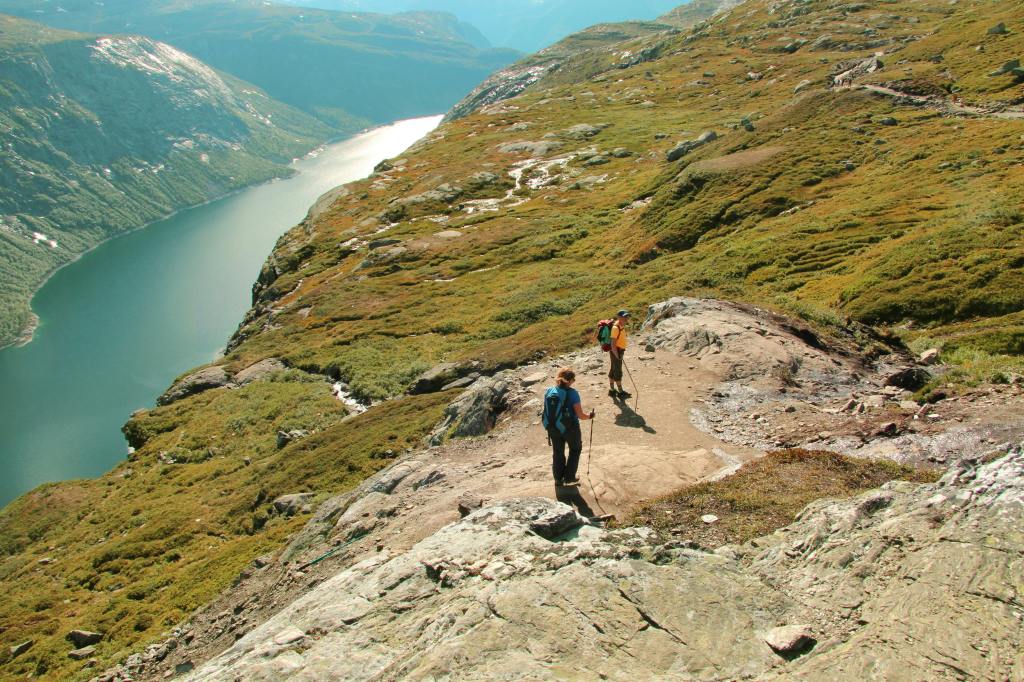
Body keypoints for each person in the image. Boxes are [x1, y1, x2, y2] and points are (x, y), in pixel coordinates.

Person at [542, 368, 595, 487]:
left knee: (558, 452)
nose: (574, 381)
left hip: (553, 427)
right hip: (570, 427)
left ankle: (558, 479)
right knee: (575, 449)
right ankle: (569, 477)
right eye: (573, 379)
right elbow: (580, 415)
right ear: (569, 380)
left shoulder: (550, 390)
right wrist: (590, 416)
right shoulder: (573, 393)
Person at [608, 310, 631, 398]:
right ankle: (620, 392)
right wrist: (617, 356)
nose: (626, 318)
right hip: (616, 352)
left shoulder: (621, 325)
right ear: (619, 317)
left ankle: (612, 390)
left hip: (619, 351)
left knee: (613, 369)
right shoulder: (615, 328)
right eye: (624, 317)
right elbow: (613, 344)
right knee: (618, 371)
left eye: (627, 316)